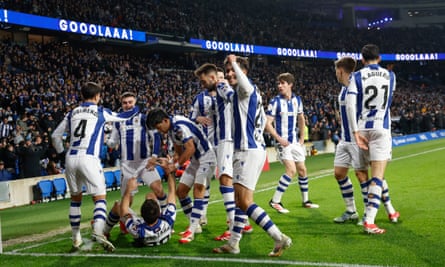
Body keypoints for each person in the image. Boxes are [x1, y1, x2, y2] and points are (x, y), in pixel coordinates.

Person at [213, 54, 291, 257]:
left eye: (234, 69)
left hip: (248, 151)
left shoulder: (246, 89)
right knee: (240, 201)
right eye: (228, 70)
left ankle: (278, 237)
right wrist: (220, 85)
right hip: (252, 150)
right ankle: (234, 243)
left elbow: (243, 88)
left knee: (245, 202)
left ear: (244, 71)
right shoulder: (243, 92)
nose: (230, 73)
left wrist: (233, 64)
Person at [51, 82, 135, 252]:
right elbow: (124, 116)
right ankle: (98, 230)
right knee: (100, 197)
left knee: (75, 199)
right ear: (97, 96)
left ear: (82, 96)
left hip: (70, 158)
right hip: (89, 158)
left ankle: (76, 238)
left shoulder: (71, 112)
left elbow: (55, 136)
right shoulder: (101, 111)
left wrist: (61, 153)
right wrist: (136, 108)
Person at [332, 56, 399, 225]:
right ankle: (351, 210)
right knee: (339, 174)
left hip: (357, 138)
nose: (336, 74)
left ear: (340, 71)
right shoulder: (343, 88)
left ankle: (370, 213)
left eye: (336, 71)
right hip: (344, 139)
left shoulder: (357, 87)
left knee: (364, 176)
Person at [193, 63, 252, 241]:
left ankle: (233, 224)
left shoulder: (220, 84)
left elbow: (232, 96)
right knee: (234, 183)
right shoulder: (208, 94)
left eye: (203, 80)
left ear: (212, 78)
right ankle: (242, 222)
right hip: (226, 139)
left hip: (226, 139)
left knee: (225, 178)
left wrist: (229, 87)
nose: (202, 84)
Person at [346, 44, 397, 234]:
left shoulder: (356, 76)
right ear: (380, 58)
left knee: (365, 175)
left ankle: (390, 211)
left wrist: (355, 133)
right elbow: (388, 102)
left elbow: (351, 106)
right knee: (377, 176)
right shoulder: (390, 76)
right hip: (381, 128)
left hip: (361, 128)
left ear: (362, 59)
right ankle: (369, 220)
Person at [146, 108, 216, 244]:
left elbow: (190, 148)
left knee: (198, 190)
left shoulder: (178, 127)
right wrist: (171, 161)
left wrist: (175, 166)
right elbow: (178, 152)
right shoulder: (172, 128)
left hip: (207, 157)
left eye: (159, 126)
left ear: (165, 120)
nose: (159, 130)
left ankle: (192, 229)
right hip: (196, 160)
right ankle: (195, 226)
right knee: (181, 192)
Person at [104, 91, 167, 235]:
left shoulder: (144, 119)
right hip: (127, 165)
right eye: (125, 103)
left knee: (158, 189)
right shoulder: (117, 121)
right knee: (128, 199)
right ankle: (123, 224)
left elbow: (156, 138)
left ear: (135, 102)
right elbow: (113, 142)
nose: (127, 105)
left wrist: (155, 156)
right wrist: (107, 140)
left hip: (145, 162)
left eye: (130, 102)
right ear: (122, 104)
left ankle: (164, 219)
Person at [265, 72, 319, 213]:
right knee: (291, 171)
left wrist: (302, 137)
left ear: (290, 85)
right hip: (283, 143)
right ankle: (275, 201)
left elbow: (301, 118)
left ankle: (306, 200)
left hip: (295, 142)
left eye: (283, 83)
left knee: (302, 170)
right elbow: (267, 123)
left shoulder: (297, 100)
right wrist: (279, 138)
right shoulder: (275, 102)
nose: (279, 86)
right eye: (278, 83)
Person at [106, 158, 177, 247]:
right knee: (150, 195)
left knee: (118, 205)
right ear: (159, 213)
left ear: (142, 217)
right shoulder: (168, 220)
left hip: (146, 233)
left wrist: (128, 189)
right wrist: (170, 171)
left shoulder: (138, 230)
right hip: (161, 230)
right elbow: (172, 193)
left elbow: (123, 209)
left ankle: (105, 232)